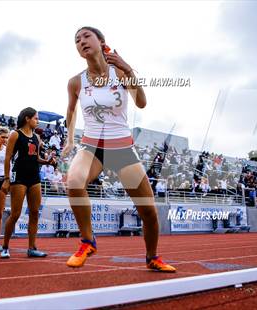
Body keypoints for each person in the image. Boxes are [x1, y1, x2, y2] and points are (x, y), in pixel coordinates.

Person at [62, 26, 175, 272]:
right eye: (77, 40)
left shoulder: (120, 73)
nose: (81, 41)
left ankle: (152, 257)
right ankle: (87, 241)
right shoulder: (75, 82)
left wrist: (127, 67)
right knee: (74, 181)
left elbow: (142, 103)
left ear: (101, 41)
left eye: (86, 36)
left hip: (122, 147)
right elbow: (70, 112)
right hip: (92, 146)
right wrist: (70, 139)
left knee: (148, 210)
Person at [0, 107, 54, 258]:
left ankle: (32, 248)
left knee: (35, 212)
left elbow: (36, 158)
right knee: (16, 214)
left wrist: (47, 161)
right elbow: (7, 157)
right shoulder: (15, 134)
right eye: (36, 118)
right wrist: (6, 179)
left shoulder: (37, 137)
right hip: (19, 177)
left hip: (34, 177)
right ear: (27, 119)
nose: (38, 121)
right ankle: (5, 247)